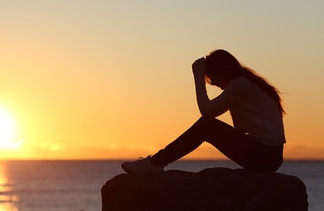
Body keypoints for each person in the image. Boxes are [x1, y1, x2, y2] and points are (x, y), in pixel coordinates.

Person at [122, 49, 286, 174]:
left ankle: (156, 163)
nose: (213, 83)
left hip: (264, 156)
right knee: (207, 125)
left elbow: (207, 112)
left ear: (221, 71)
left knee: (206, 126)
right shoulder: (246, 82)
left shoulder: (240, 85)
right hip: (269, 156)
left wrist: (198, 76)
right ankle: (157, 162)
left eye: (212, 77)